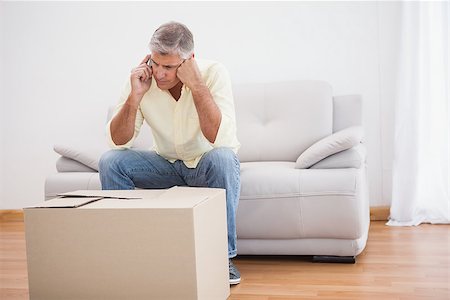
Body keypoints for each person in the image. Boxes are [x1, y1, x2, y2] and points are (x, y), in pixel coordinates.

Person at [98, 21, 241, 285]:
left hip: (204, 166)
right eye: (155, 63)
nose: (160, 74)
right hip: (165, 165)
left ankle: (223, 259)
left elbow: (219, 138)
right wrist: (135, 96)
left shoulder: (213, 73)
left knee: (223, 157)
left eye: (169, 67)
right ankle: (128, 254)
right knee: (111, 161)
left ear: (189, 61)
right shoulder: (142, 79)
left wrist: (197, 86)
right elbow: (117, 142)